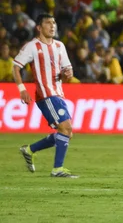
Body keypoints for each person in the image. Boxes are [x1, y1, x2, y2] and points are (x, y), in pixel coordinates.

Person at [14, 14, 78, 178]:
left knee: (66, 132)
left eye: (54, 23)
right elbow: (16, 67)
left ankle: (30, 149)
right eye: (48, 23)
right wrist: (22, 89)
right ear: (39, 27)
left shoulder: (59, 46)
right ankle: (57, 169)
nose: (52, 26)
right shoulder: (32, 46)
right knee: (66, 128)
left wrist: (67, 74)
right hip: (45, 94)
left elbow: (66, 72)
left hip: (58, 93)